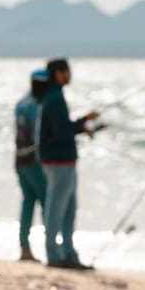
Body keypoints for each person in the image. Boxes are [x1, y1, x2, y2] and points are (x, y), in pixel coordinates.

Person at [38, 57, 98, 270]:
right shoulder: (54, 98)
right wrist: (83, 122)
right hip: (59, 161)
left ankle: (68, 253)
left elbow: (61, 128)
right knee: (57, 208)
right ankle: (54, 254)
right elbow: (62, 130)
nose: (70, 75)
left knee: (69, 209)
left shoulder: (53, 96)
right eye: (67, 71)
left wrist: (82, 125)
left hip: (62, 160)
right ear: (59, 74)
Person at [15, 68, 49, 262]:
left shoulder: (21, 103)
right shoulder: (37, 106)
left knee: (28, 203)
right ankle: (51, 247)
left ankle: (24, 247)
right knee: (46, 202)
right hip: (34, 161)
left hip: (19, 160)